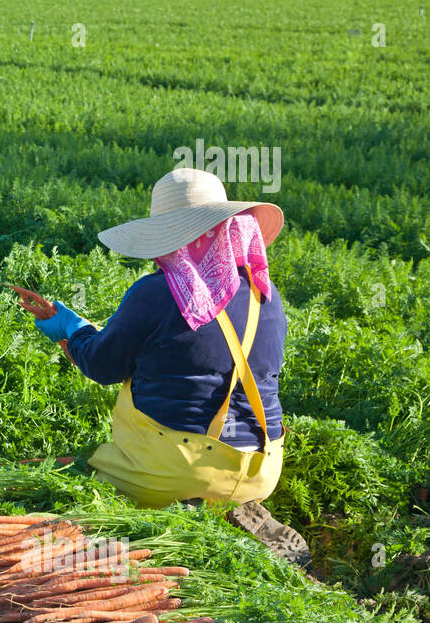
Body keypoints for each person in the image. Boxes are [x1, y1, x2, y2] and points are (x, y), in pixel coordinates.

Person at [31, 168, 307, 565]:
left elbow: (103, 366)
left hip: (172, 470)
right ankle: (234, 509)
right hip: (261, 468)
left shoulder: (156, 293)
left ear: (166, 237)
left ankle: (170, 509)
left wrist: (71, 329)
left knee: (85, 479)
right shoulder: (267, 294)